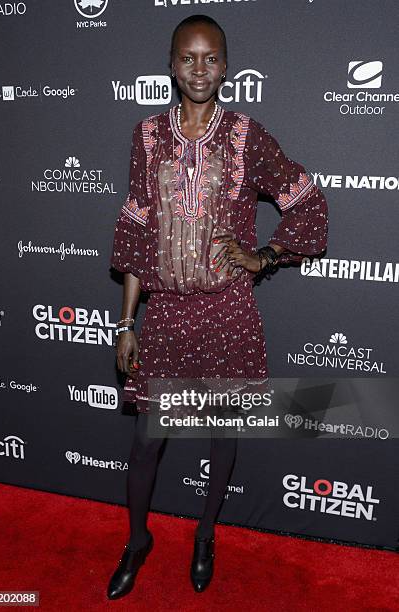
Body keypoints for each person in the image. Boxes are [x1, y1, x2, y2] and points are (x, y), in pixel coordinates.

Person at [107, 14, 328, 599]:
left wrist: (268, 253)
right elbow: (135, 233)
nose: (199, 69)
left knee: (221, 435)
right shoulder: (147, 135)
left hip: (229, 311)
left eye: (210, 58)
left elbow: (307, 201)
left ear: (226, 66)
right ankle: (137, 540)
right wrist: (127, 322)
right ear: (172, 64)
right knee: (148, 439)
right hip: (169, 313)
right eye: (187, 58)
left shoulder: (248, 136)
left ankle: (206, 534)